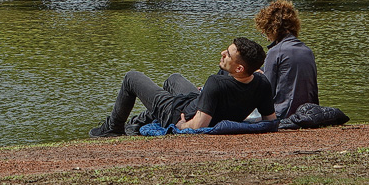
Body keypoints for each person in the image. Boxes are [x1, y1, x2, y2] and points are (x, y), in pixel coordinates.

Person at [89, 38, 276, 137]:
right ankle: (145, 118)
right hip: (196, 101)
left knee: (132, 77)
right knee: (174, 79)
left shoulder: (215, 83)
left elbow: (197, 127)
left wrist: (182, 125)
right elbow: (270, 121)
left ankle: (113, 128)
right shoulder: (262, 83)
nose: (222, 53)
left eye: (228, 54)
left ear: (240, 68)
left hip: (176, 111)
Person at [254, 0, 318, 119]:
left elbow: (267, 91)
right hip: (310, 113)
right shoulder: (307, 50)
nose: (266, 35)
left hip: (283, 114)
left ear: (272, 27)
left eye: (265, 30)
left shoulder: (275, 52)